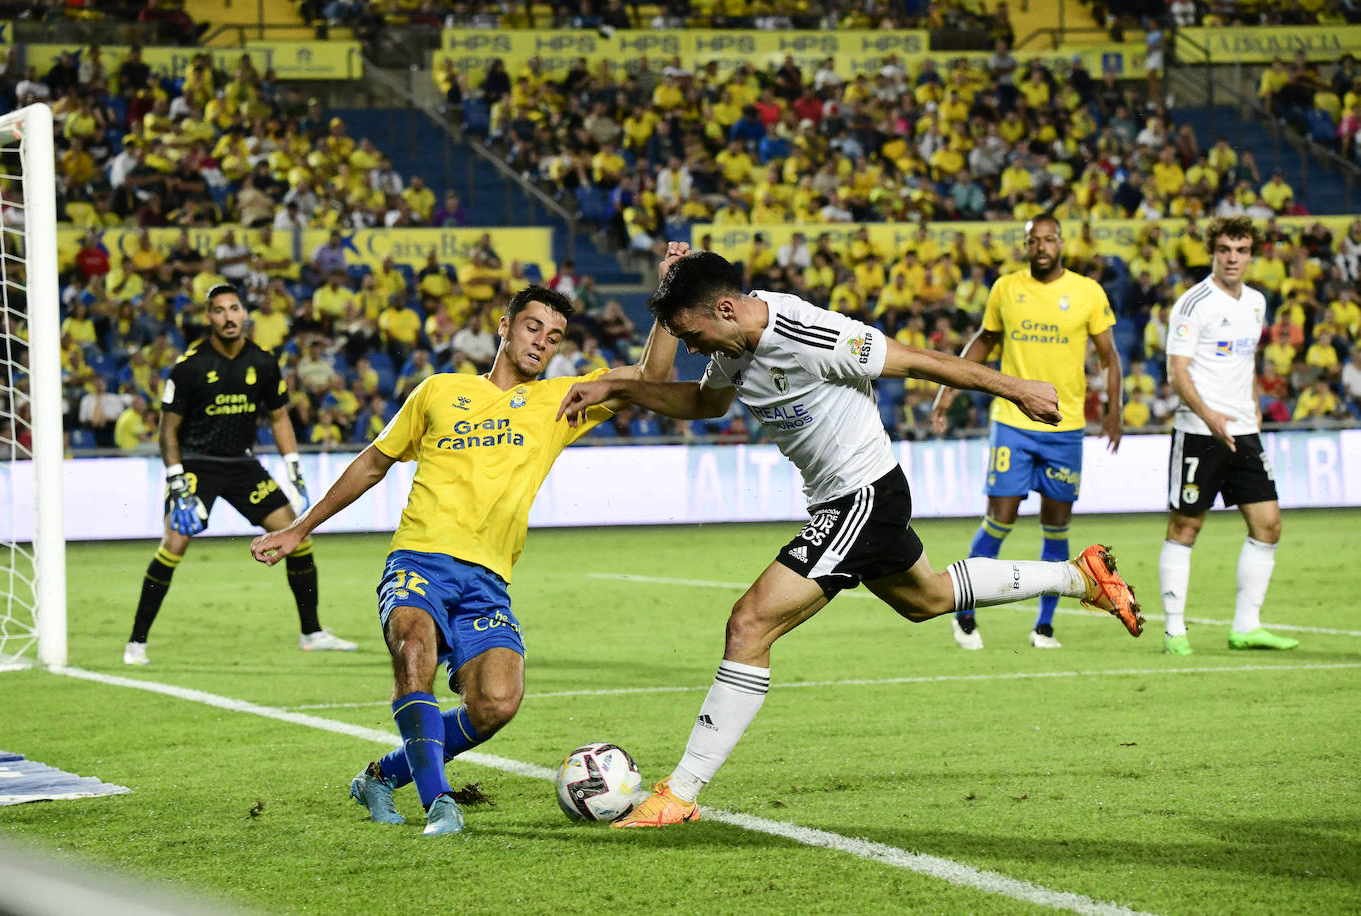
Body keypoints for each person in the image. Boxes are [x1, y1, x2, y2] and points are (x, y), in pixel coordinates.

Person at [555, 250, 1143, 829]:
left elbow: (914, 361)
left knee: (750, 623)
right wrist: (620, 389)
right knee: (928, 599)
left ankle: (680, 793)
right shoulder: (733, 345)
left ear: (728, 309)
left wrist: (1015, 388)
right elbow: (705, 402)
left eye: (693, 333)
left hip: (862, 496)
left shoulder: (810, 332)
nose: (691, 348)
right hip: (852, 499)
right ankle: (1079, 576)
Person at [249, 258, 678, 837]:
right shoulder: (438, 391)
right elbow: (375, 462)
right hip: (418, 559)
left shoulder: (561, 401)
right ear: (504, 326)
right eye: (532, 328)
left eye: (553, 338)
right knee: (414, 654)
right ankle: (440, 804)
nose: (541, 343)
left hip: (487, 579)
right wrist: (300, 527)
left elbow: (652, 373)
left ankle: (380, 776)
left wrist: (672, 289)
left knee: (497, 702)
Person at [122, 284, 357, 666]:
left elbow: (280, 417)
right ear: (208, 317)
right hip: (197, 463)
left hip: (242, 464)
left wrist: (294, 468)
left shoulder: (263, 362)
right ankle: (137, 642)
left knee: (294, 533)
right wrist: (177, 481)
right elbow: (167, 431)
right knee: (175, 543)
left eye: (234, 309)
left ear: (244, 313)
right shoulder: (189, 367)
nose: (228, 317)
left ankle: (312, 632)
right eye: (219, 310)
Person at [931, 213, 1123, 649]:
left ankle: (1044, 626)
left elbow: (1109, 357)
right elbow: (982, 341)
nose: (1041, 246)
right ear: (1026, 245)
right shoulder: (1006, 288)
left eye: (1048, 239)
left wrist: (1115, 410)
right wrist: (947, 393)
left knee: (1056, 528)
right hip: (1014, 423)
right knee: (1000, 520)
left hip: (1066, 426)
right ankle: (964, 612)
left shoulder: (1087, 292)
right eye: (1033, 240)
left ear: (1061, 243)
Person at [1159, 217, 1298, 656]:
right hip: (1200, 432)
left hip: (1244, 430)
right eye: (1224, 249)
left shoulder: (1256, 302)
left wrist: (1252, 404)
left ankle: (1246, 627)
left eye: (1240, 250)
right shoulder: (1193, 302)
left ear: (1251, 254)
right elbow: (1176, 371)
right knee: (1186, 525)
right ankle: (1174, 631)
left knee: (1268, 525)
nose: (1232, 258)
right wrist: (1209, 415)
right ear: (1212, 253)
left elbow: (1246, 362)